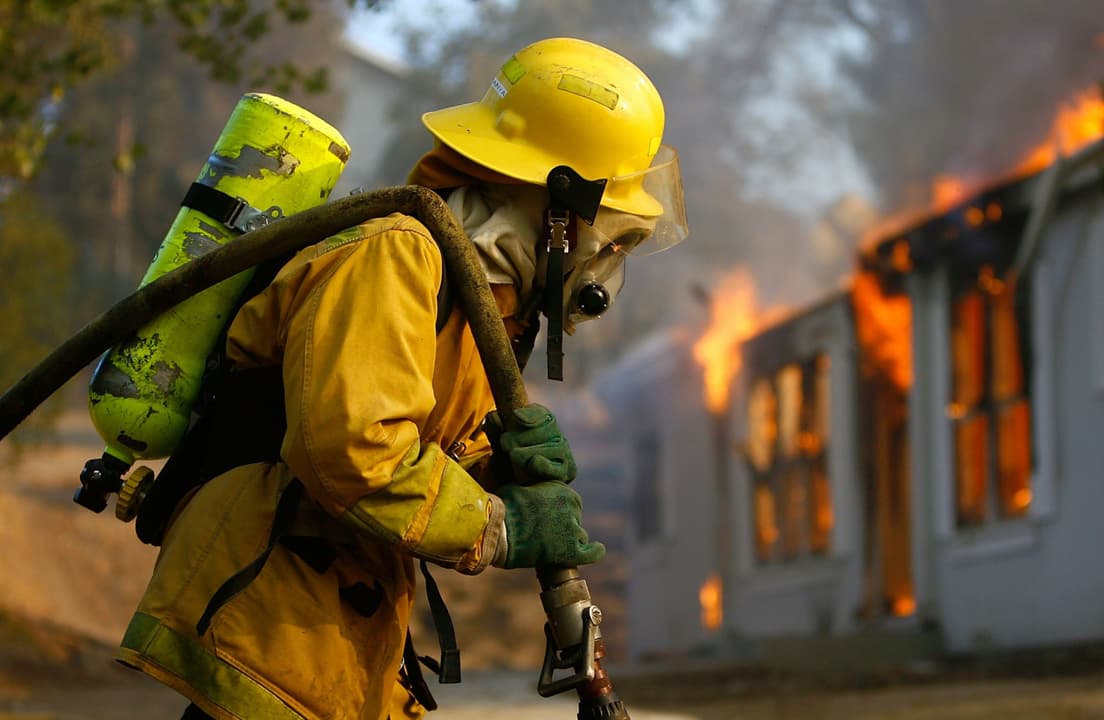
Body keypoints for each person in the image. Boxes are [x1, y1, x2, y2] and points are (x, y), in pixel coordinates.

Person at [115, 36, 687, 720]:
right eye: (616, 234)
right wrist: (500, 526)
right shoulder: (395, 256)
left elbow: (428, 447)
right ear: (557, 208)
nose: (611, 258)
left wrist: (493, 471)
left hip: (326, 620)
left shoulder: (472, 296)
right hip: (265, 607)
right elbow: (353, 450)